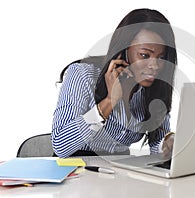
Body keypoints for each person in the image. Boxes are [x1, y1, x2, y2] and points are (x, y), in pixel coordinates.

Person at [51, 8, 177, 158]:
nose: (155, 66)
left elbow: (157, 144)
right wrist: (109, 101)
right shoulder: (83, 75)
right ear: (123, 50)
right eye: (144, 55)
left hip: (118, 173)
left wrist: (169, 143)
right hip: (77, 171)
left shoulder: (154, 88)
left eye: (161, 58)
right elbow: (60, 145)